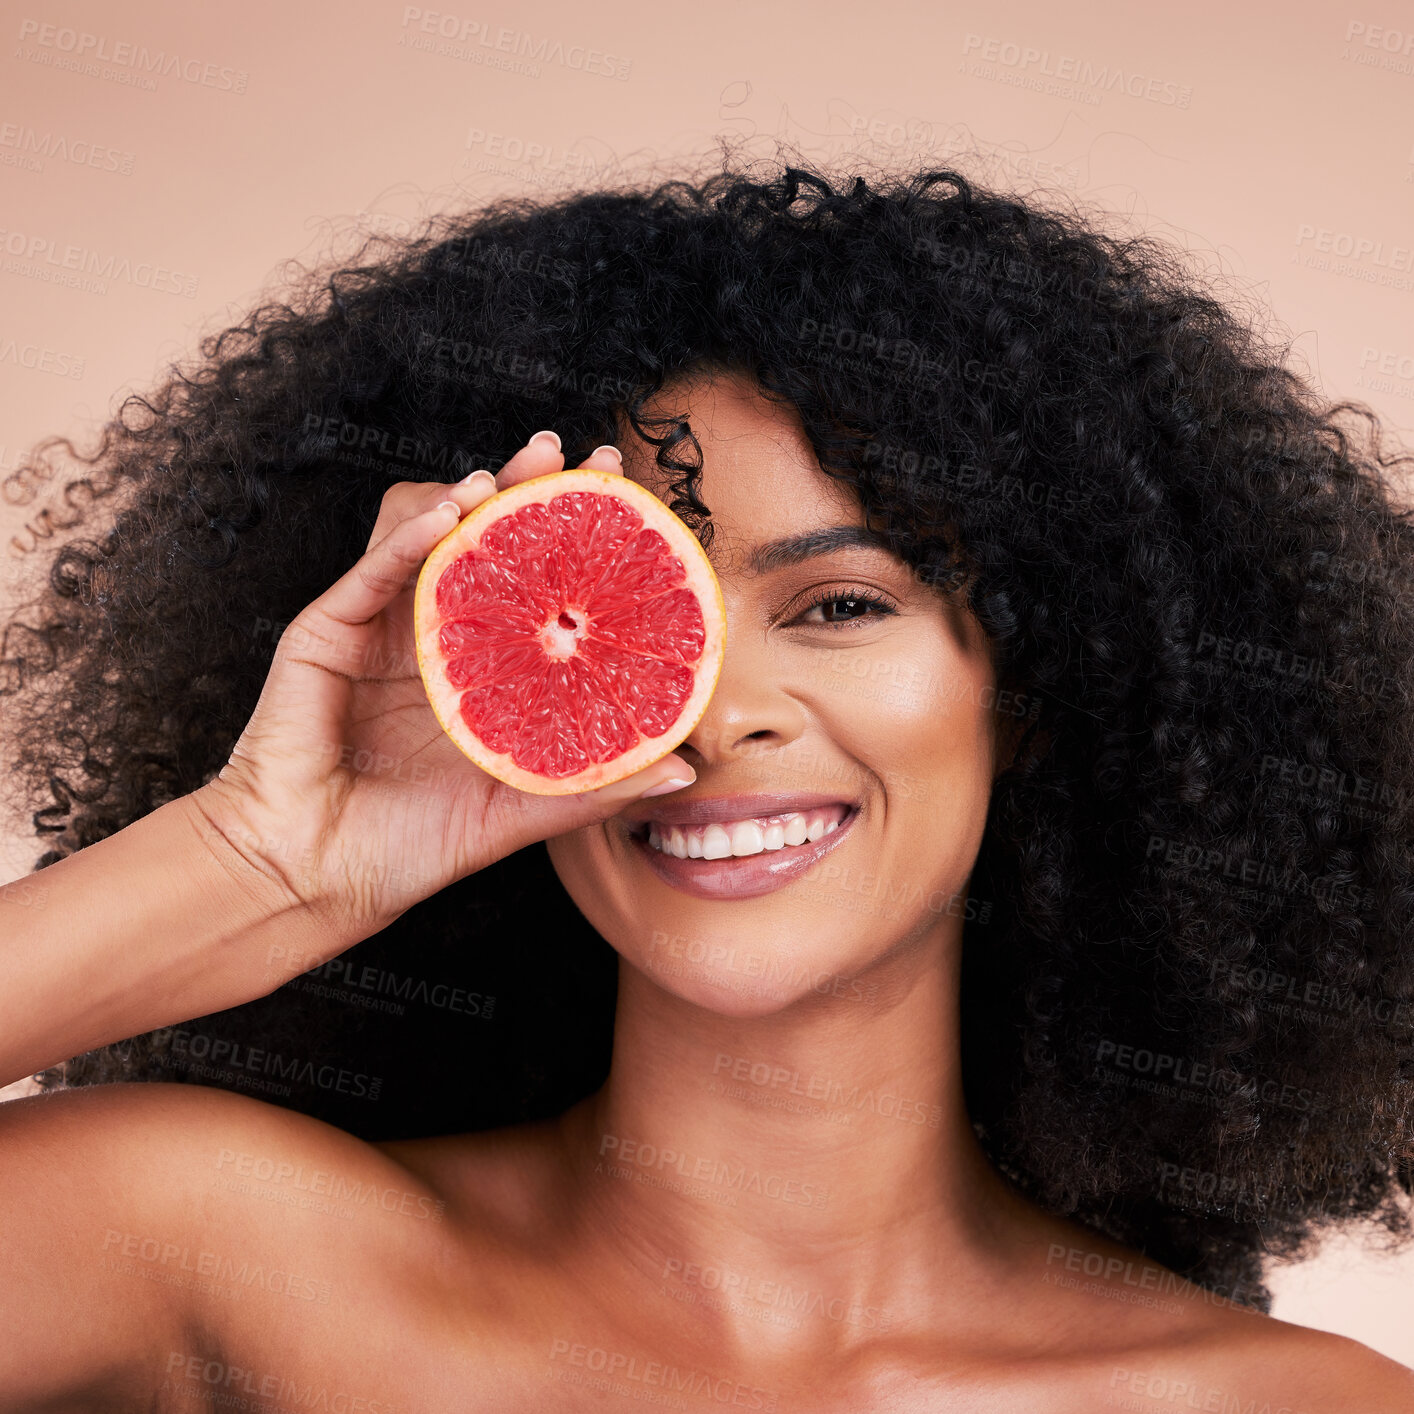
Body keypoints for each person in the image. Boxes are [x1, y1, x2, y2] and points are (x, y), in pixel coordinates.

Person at [1, 161, 1412, 1411]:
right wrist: (258, 863)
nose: (717, 714)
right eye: (621, 621)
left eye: (841, 606)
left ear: (1038, 694)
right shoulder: (215, 1259)